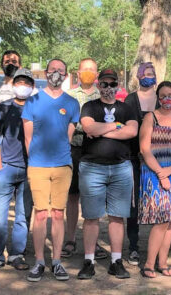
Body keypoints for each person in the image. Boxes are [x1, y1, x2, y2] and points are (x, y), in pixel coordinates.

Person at [74, 69, 138, 280]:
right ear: (98, 85)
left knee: (117, 216)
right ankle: (89, 261)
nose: (108, 88)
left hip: (120, 167)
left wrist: (103, 129)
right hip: (93, 167)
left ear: (118, 85)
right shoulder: (89, 106)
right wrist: (116, 126)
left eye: (112, 84)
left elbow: (132, 132)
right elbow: (89, 128)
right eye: (104, 84)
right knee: (91, 217)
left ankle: (116, 261)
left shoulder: (127, 108)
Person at [23, 59, 81, 282]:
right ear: (46, 73)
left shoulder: (72, 103)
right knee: (40, 214)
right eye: (53, 70)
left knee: (58, 213)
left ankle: (56, 261)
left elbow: (67, 136)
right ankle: (39, 261)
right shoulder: (33, 101)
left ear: (66, 75)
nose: (56, 73)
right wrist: (36, 159)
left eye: (60, 71)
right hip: (38, 165)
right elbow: (28, 138)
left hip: (62, 165)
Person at [138, 81, 171, 278]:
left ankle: (163, 262)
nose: (167, 99)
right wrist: (162, 174)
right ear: (158, 97)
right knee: (161, 220)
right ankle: (149, 264)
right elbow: (145, 149)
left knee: (170, 222)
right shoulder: (150, 118)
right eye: (163, 95)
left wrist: (170, 171)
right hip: (154, 173)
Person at [0, 68, 37, 272]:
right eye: (19, 82)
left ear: (32, 87)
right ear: (14, 84)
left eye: (26, 83)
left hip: (29, 170)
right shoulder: (4, 107)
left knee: (23, 217)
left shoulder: (37, 108)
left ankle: (17, 254)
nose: (22, 86)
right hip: (6, 168)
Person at [61, 58, 109, 261]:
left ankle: (93, 241)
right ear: (78, 74)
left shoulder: (103, 95)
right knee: (72, 197)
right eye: (85, 69)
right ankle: (70, 240)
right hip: (73, 150)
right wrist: (88, 127)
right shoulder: (69, 96)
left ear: (96, 74)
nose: (89, 73)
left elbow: (109, 122)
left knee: (94, 198)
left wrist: (94, 128)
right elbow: (64, 122)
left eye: (92, 69)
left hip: (97, 151)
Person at [119, 62, 154, 266]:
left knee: (156, 202)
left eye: (152, 73)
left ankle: (158, 245)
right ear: (139, 76)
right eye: (146, 73)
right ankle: (133, 246)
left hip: (159, 159)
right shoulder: (130, 100)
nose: (150, 76)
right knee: (134, 205)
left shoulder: (162, 99)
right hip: (133, 158)